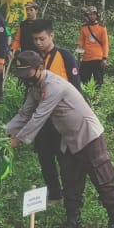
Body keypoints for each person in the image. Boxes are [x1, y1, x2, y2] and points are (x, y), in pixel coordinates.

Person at [7, 51, 114, 228]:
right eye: (21, 73)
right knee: (70, 178)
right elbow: (24, 113)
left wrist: (16, 141)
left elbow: (38, 117)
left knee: (102, 177)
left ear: (40, 68)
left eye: (27, 73)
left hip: (88, 134)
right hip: (68, 137)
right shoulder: (35, 86)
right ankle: (73, 221)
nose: (24, 77)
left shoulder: (54, 86)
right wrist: (5, 133)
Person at [27, 20, 81, 203]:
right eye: (35, 39)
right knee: (45, 156)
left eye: (42, 38)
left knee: (65, 157)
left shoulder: (65, 56)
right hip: (41, 117)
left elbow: (76, 88)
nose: (38, 43)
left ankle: (69, 195)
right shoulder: (32, 59)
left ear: (51, 36)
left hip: (62, 116)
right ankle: (54, 193)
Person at [78, 6, 109, 88]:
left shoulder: (102, 28)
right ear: (87, 16)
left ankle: (96, 99)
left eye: (93, 14)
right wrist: (79, 56)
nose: (91, 16)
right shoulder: (84, 28)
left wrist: (105, 58)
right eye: (89, 14)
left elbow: (105, 43)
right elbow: (81, 42)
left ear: (97, 15)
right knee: (84, 80)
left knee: (98, 81)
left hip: (98, 57)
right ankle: (86, 98)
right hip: (86, 58)